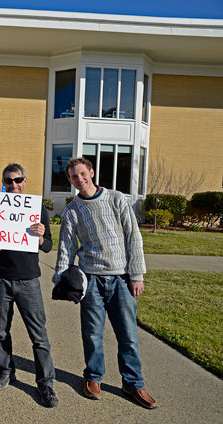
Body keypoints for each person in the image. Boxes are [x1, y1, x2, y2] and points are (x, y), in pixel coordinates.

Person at [54, 157, 157, 409]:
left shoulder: (116, 198)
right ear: (70, 180)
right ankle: (93, 377)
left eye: (82, 173)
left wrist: (137, 274)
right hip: (91, 280)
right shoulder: (72, 210)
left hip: (121, 278)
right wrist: (62, 280)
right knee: (92, 334)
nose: (80, 179)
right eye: (74, 176)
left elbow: (133, 236)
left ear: (91, 172)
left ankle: (133, 383)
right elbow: (66, 248)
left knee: (128, 335)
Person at [0, 163, 59, 408]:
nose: (13, 185)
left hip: (28, 281)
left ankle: (46, 383)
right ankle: (6, 370)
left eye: (17, 180)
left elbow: (48, 245)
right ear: (3, 182)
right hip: (1, 280)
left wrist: (40, 236)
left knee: (39, 336)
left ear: (25, 180)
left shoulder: (36, 208)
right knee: (1, 332)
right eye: (8, 181)